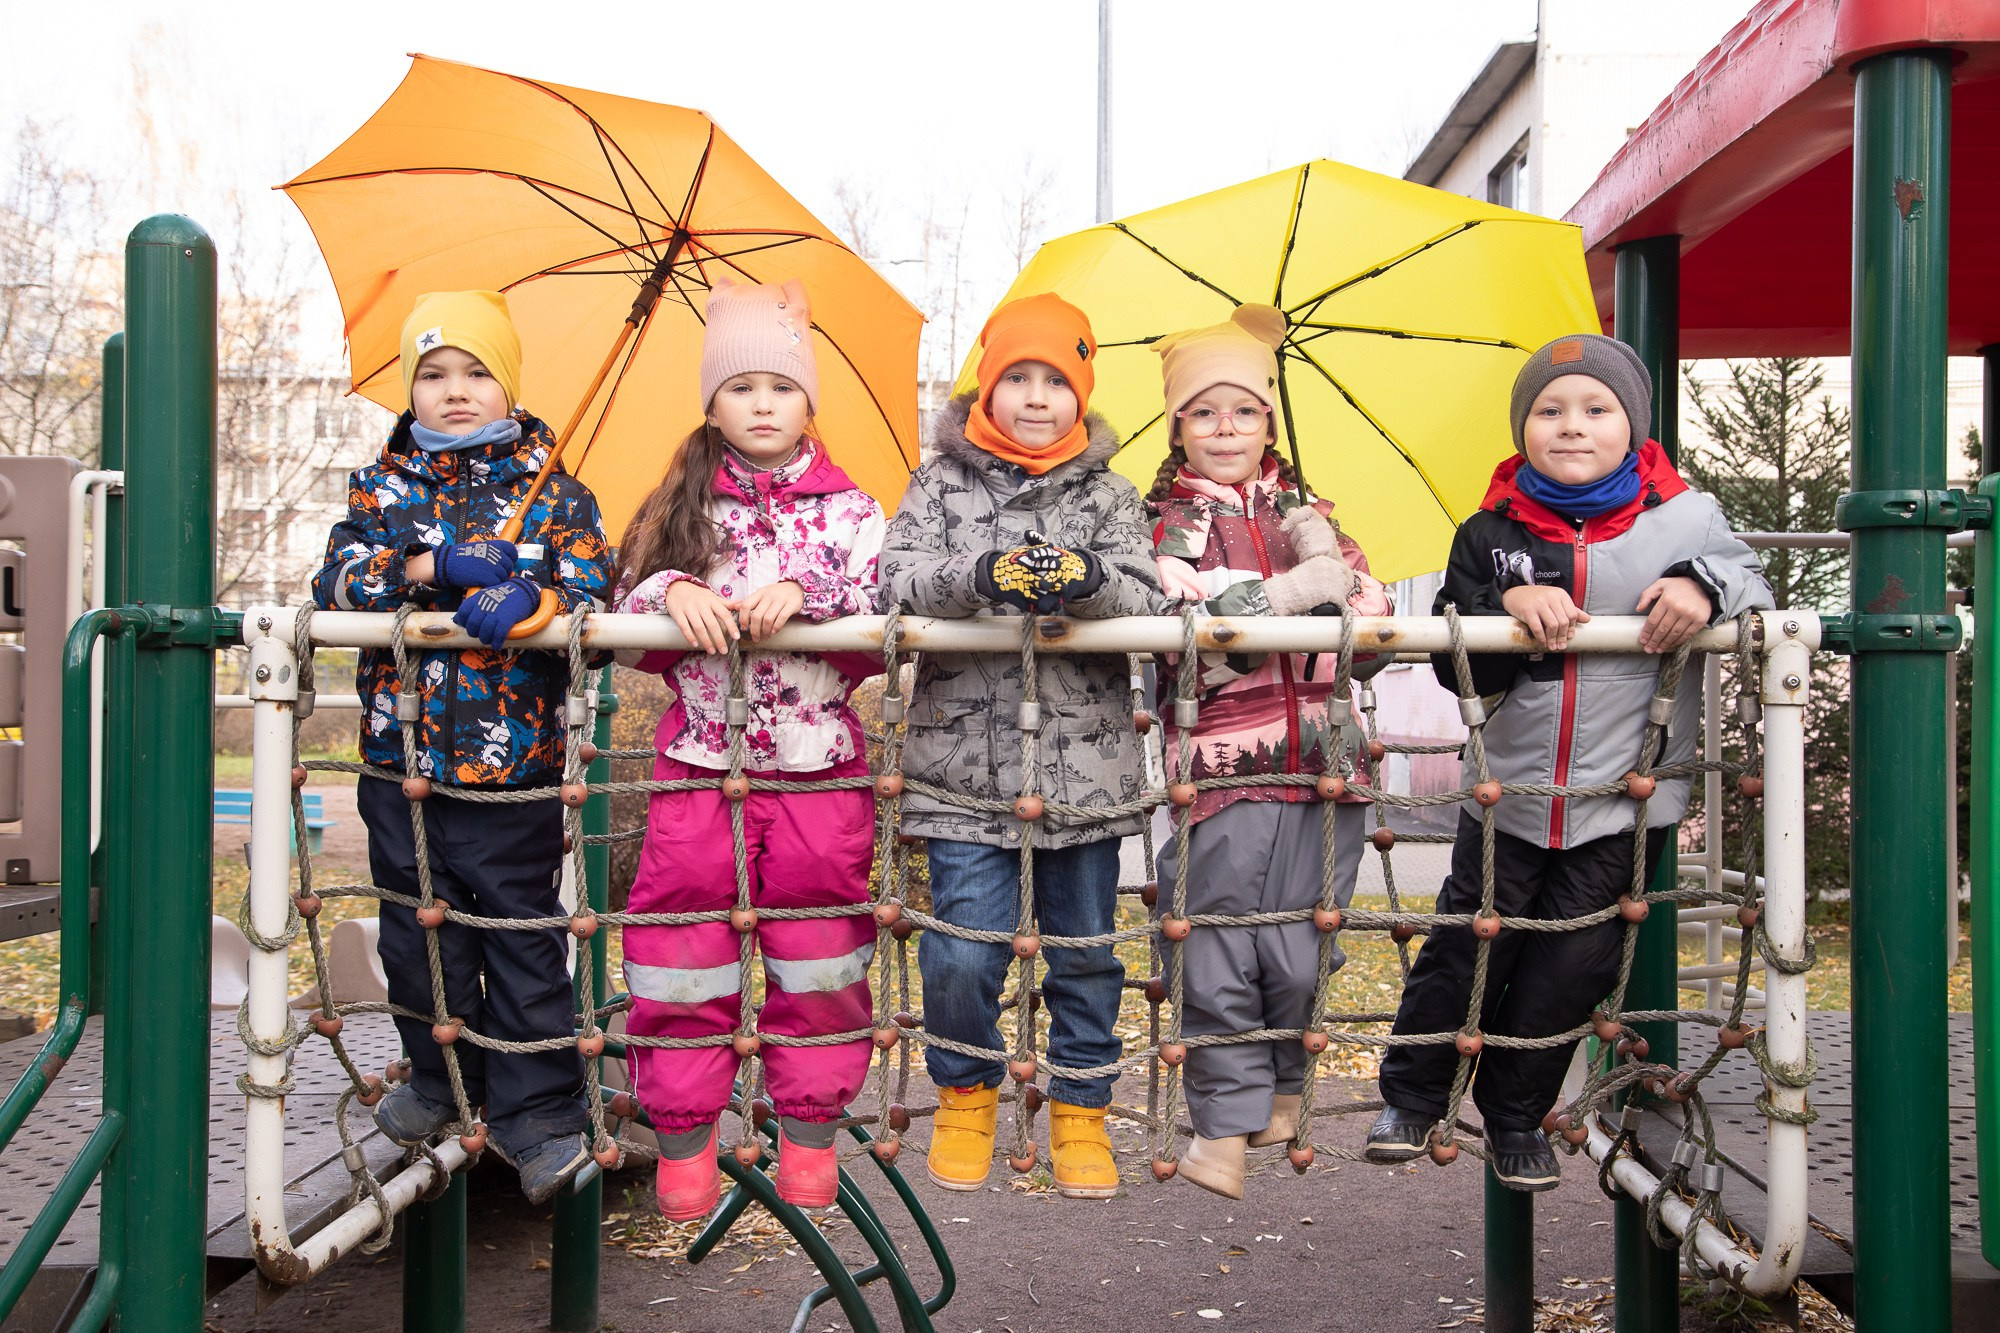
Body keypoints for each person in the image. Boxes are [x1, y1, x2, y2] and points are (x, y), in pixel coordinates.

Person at [1366, 333, 1772, 1190]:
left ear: (1634, 425)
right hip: (1508, 793)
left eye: (1597, 409)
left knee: (1572, 968)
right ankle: (1412, 1094)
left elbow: (1752, 581)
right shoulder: (1491, 529)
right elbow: (1452, 641)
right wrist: (1504, 601)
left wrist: (1701, 584)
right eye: (1549, 411)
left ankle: (1517, 1116)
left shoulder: (1685, 519)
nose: (1572, 425)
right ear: (1523, 430)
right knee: (1468, 947)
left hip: (1626, 801)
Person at [312, 290, 611, 1205]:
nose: (454, 391)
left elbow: (595, 574)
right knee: (414, 929)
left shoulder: (554, 486)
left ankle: (537, 1106)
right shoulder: (383, 487)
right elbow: (336, 576)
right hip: (399, 759)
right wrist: (429, 567)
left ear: (509, 384)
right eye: (433, 374)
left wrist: (532, 599)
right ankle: (442, 1079)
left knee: (517, 928)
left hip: (511, 762)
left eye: (477, 371)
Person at [878, 293, 1167, 1199]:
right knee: (962, 948)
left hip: (1083, 764)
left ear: (1080, 393)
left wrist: (1084, 581)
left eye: (1056, 380)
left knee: (1085, 947)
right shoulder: (938, 485)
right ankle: (966, 1089)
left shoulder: (1111, 494)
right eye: (1018, 378)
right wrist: (976, 576)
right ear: (987, 387)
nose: (1037, 397)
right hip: (961, 768)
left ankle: (1082, 1107)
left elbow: (1149, 601)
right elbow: (892, 580)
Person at [613, 279, 885, 1219]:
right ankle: (685, 1137)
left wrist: (808, 592)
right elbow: (625, 612)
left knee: (821, 954)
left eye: (781, 385)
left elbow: (888, 605)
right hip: (699, 765)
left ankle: (809, 1129)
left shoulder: (853, 511)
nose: (761, 404)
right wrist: (672, 592)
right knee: (680, 949)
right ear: (711, 402)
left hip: (818, 770)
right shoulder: (678, 506)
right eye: (740, 387)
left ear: (811, 400)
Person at [1143, 306, 1394, 1198]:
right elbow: (1195, 632)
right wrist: (1291, 594)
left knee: (1302, 946)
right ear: (1177, 425)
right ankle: (1222, 1118)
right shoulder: (1163, 527)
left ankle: (1284, 1079)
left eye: (1243, 411)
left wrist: (1342, 586)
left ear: (1269, 425)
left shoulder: (1313, 517)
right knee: (1214, 938)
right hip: (1226, 767)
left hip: (1329, 759)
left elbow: (1375, 614)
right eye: (1204, 412)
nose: (1225, 429)